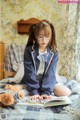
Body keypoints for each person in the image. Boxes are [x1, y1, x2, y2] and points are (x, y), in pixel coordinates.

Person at [21, 21, 71, 100]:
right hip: (32, 80)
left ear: (51, 36)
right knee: (19, 93)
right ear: (35, 36)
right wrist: (34, 92)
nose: (44, 40)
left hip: (48, 81)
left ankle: (44, 90)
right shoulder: (29, 50)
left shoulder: (54, 52)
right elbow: (29, 72)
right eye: (40, 36)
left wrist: (46, 92)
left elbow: (50, 73)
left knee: (66, 92)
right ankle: (32, 89)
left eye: (47, 36)